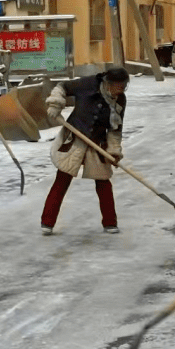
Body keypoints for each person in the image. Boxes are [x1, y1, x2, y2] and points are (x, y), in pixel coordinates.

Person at [41, 68, 129, 235]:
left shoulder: (120, 100)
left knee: (103, 182)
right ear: (108, 83)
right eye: (119, 87)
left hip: (97, 141)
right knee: (62, 179)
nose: (121, 91)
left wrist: (114, 151)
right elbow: (62, 87)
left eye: (124, 87)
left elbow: (115, 129)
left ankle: (110, 223)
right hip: (74, 137)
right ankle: (47, 222)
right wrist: (55, 103)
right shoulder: (88, 84)